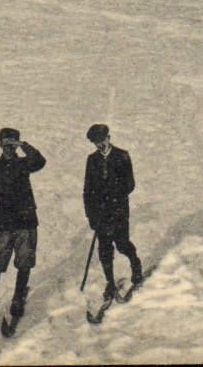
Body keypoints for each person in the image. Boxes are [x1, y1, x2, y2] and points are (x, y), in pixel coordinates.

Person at [0, 127, 45, 330]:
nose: (7, 148)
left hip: (25, 222)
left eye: (11, 144)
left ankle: (18, 299)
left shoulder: (24, 163)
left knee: (24, 262)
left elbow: (40, 161)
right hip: (4, 224)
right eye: (4, 144)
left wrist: (23, 145)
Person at [83, 123, 144, 300]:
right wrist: (91, 215)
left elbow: (130, 184)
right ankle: (110, 282)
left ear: (108, 137)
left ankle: (136, 266)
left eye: (102, 140)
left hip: (118, 211)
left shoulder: (122, 156)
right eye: (96, 142)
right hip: (100, 214)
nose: (100, 144)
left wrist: (114, 193)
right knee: (104, 250)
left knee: (122, 244)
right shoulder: (92, 160)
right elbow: (87, 190)